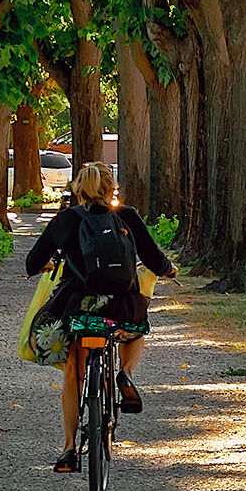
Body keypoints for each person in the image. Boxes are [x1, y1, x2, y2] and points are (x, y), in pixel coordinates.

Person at [24, 162, 176, 473]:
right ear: (111, 189)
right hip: (121, 307)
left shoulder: (66, 219)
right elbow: (153, 257)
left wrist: (47, 266)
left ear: (78, 189)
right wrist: (169, 270)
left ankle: (69, 448)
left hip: (78, 308)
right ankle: (126, 373)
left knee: (73, 373)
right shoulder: (126, 216)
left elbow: (32, 262)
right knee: (136, 330)